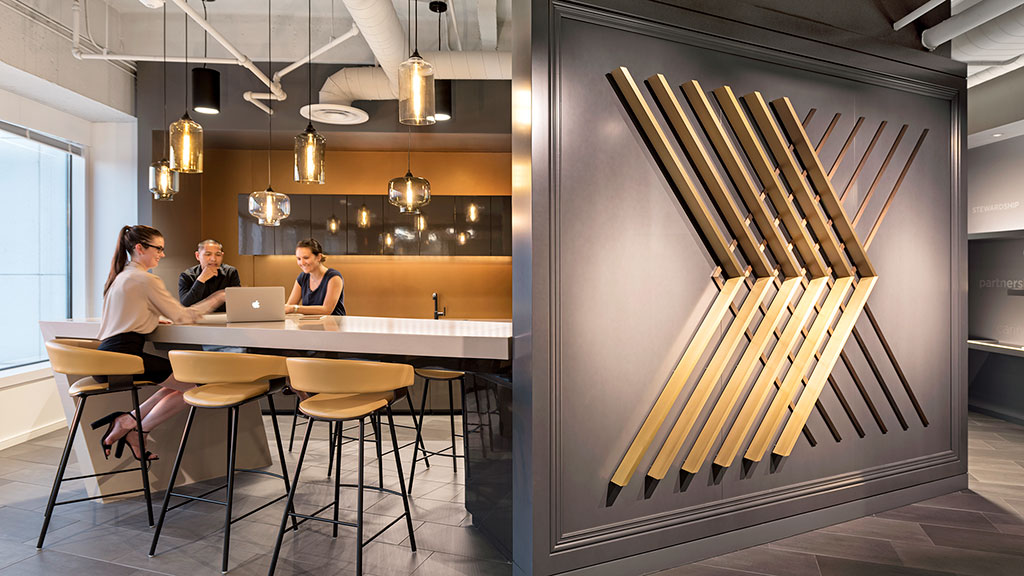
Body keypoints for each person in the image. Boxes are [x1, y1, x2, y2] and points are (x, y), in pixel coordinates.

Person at [92, 225, 225, 462]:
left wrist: (153, 317)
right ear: (139, 248)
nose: (162, 255)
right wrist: (219, 297)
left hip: (109, 356)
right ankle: (136, 426)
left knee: (178, 383)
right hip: (125, 358)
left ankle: (129, 420)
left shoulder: (121, 276)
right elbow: (184, 317)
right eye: (159, 249)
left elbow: (127, 316)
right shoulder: (145, 279)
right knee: (199, 386)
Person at [285, 238, 346, 316]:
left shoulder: (334, 277)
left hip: (333, 326)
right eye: (299, 259)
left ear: (319, 257)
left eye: (306, 258)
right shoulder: (302, 278)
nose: (302, 263)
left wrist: (294, 308)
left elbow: (326, 310)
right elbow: (289, 306)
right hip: (310, 326)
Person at [178, 239, 240, 312]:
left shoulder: (230, 272)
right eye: (208, 254)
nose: (213, 259)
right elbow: (185, 305)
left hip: (224, 318)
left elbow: (237, 302)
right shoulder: (187, 276)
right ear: (197, 256)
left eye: (218, 254)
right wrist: (201, 279)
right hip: (197, 319)